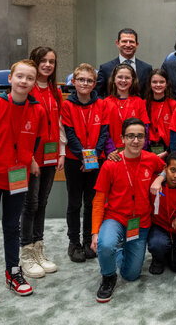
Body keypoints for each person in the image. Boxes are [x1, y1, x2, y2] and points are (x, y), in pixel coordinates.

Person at [0, 59, 47, 309]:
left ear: (35, 82)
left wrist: (30, 159)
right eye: (20, 76)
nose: (24, 82)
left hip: (17, 178)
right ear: (10, 78)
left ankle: (13, 272)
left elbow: (34, 140)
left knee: (13, 227)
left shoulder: (37, 110)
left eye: (30, 78)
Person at [91, 118, 164, 303]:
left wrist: (160, 178)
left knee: (131, 275)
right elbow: (99, 200)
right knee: (105, 244)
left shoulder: (151, 159)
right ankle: (108, 277)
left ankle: (120, 251)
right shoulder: (111, 164)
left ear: (145, 139)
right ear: (122, 138)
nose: (135, 141)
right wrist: (94, 233)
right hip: (115, 217)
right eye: (130, 136)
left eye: (140, 136)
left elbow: (168, 168)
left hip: (140, 222)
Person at [19, 47, 65, 279]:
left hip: (50, 155)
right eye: (43, 61)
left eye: (52, 62)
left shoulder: (55, 91)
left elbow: (58, 124)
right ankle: (26, 252)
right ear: (35, 62)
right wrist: (30, 158)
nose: (48, 65)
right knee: (31, 204)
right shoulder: (28, 89)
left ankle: (38, 248)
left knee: (43, 202)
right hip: (32, 158)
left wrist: (61, 152)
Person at [61, 63, 110, 263]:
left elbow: (104, 134)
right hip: (74, 161)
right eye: (81, 79)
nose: (85, 83)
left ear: (95, 83)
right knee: (74, 203)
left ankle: (89, 239)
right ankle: (74, 243)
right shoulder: (67, 105)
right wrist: (83, 158)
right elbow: (70, 135)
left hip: (96, 161)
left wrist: (92, 158)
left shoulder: (102, 104)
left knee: (92, 202)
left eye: (89, 80)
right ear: (73, 82)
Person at [146, 151, 176, 275]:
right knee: (158, 244)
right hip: (159, 227)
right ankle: (158, 259)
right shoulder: (154, 184)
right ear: (165, 169)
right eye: (172, 170)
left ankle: (172, 253)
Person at [96, 28, 152, 97]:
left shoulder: (147, 69)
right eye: (124, 41)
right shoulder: (105, 68)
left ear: (137, 44)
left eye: (131, 42)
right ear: (117, 43)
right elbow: (98, 94)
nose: (128, 45)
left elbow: (149, 95)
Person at [103, 63, 148, 152]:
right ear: (114, 79)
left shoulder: (139, 102)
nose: (123, 80)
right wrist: (111, 150)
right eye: (120, 77)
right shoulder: (106, 102)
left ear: (132, 80)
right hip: (114, 152)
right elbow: (105, 131)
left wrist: (139, 149)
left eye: (127, 78)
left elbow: (145, 129)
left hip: (135, 149)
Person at [143, 68, 176, 160]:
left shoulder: (173, 104)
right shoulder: (144, 104)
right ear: (150, 84)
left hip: (168, 151)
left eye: (161, 82)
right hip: (147, 150)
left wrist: (167, 152)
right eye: (154, 82)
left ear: (166, 84)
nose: (158, 85)